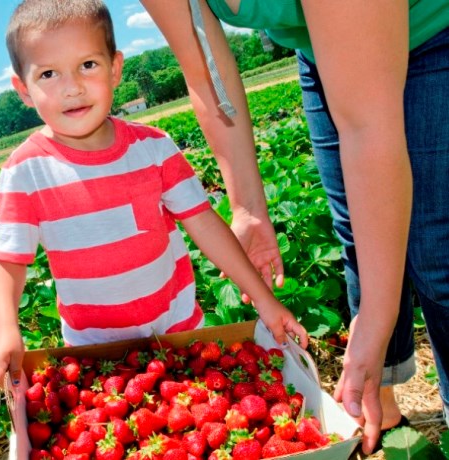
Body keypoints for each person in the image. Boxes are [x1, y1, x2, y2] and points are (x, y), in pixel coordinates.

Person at [140, 0, 449, 454]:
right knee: (360, 238)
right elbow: (206, 70)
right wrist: (246, 208)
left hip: (430, 34)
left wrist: (377, 318)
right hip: (323, 49)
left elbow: (368, 126)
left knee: (438, 253)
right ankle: (383, 416)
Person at [0, 0, 307, 391]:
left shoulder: (153, 148)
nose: (72, 87)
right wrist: (5, 327)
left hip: (180, 332)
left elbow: (203, 223)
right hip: (96, 352)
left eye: (88, 65)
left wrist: (263, 300)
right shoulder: (26, 172)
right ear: (23, 90)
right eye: (49, 73)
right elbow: (9, 259)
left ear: (116, 68)